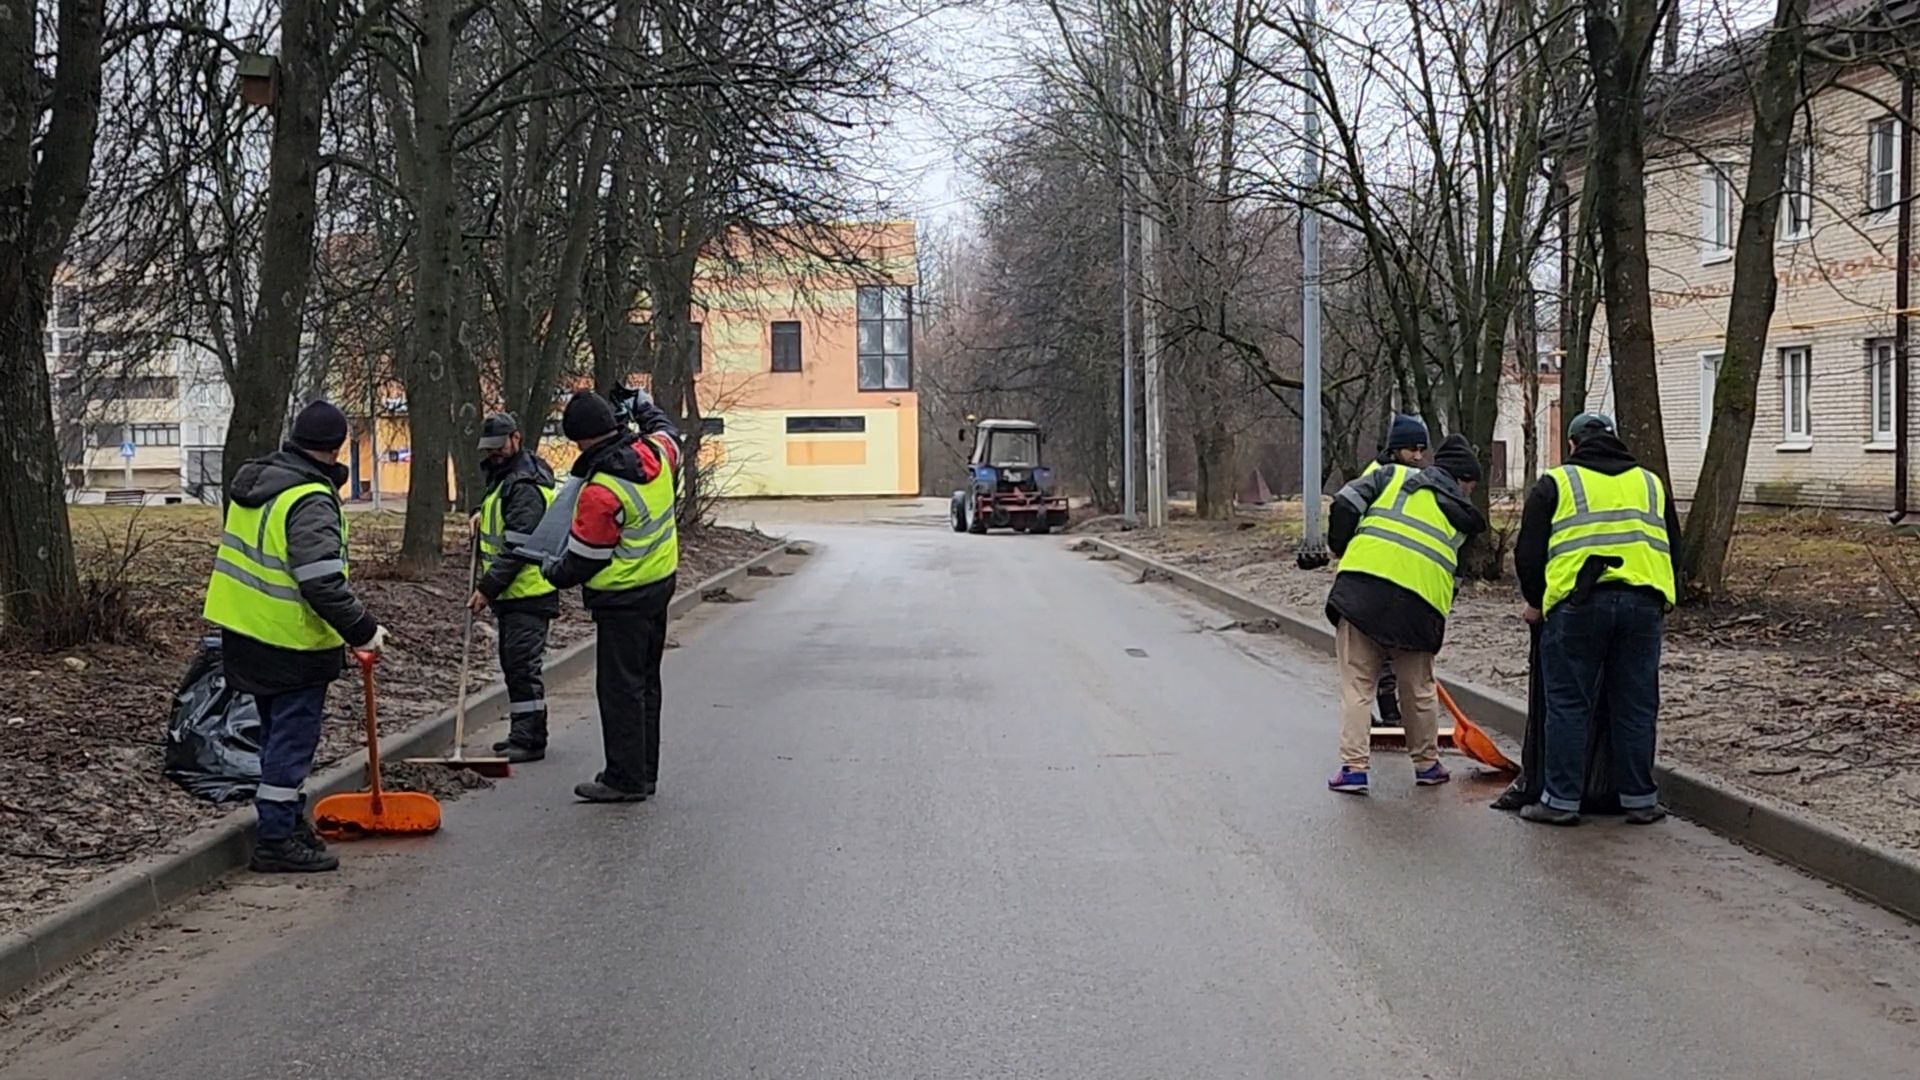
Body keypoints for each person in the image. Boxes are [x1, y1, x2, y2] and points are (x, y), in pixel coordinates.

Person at [202, 400, 389, 873]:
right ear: (336, 448)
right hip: (291, 639)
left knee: (273, 735)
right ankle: (276, 839)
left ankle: (283, 821)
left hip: (246, 630)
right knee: (291, 741)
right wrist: (363, 631)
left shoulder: (261, 485)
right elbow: (321, 581)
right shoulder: (308, 497)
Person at [1513, 413, 1679, 827]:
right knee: (1636, 703)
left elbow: (1528, 551)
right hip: (1644, 603)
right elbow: (1675, 544)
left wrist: (1534, 601)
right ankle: (1640, 799)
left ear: (1572, 444)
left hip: (1578, 606)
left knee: (1569, 704)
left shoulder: (1557, 483)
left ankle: (1561, 801)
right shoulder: (1650, 483)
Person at [1324, 433, 1487, 794]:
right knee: (1419, 690)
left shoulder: (1392, 477)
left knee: (1358, 685)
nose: (1469, 494)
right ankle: (1427, 765)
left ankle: (1354, 769)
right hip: (1419, 609)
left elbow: (1346, 503)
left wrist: (1343, 547)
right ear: (1461, 480)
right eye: (1470, 486)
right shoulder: (1464, 523)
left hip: (1363, 593)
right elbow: (1453, 581)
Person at [542, 390, 681, 802]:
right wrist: (642, 404)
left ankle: (624, 778)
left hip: (622, 600)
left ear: (581, 440)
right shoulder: (656, 452)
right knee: (646, 685)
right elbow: (667, 429)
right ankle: (644, 772)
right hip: (659, 587)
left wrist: (550, 570)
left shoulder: (600, 491)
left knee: (620, 690)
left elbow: (585, 559)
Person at [467, 413, 560, 764]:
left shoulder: (524, 484)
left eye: (500, 446)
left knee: (522, 664)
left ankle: (530, 737)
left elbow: (519, 546)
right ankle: (524, 732)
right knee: (515, 664)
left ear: (516, 439)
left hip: (529, 592)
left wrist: (486, 588)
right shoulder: (506, 477)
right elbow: (500, 515)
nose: (494, 454)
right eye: (489, 448)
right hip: (514, 593)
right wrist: (480, 511)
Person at [1361, 414, 1430, 728]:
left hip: (1400, 573)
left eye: (1421, 449)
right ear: (1395, 449)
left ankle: (1388, 710)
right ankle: (1387, 711)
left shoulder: (1410, 477)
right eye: (1411, 450)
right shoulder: (1379, 477)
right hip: (1375, 574)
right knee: (1378, 651)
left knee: (1387, 649)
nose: (1418, 456)